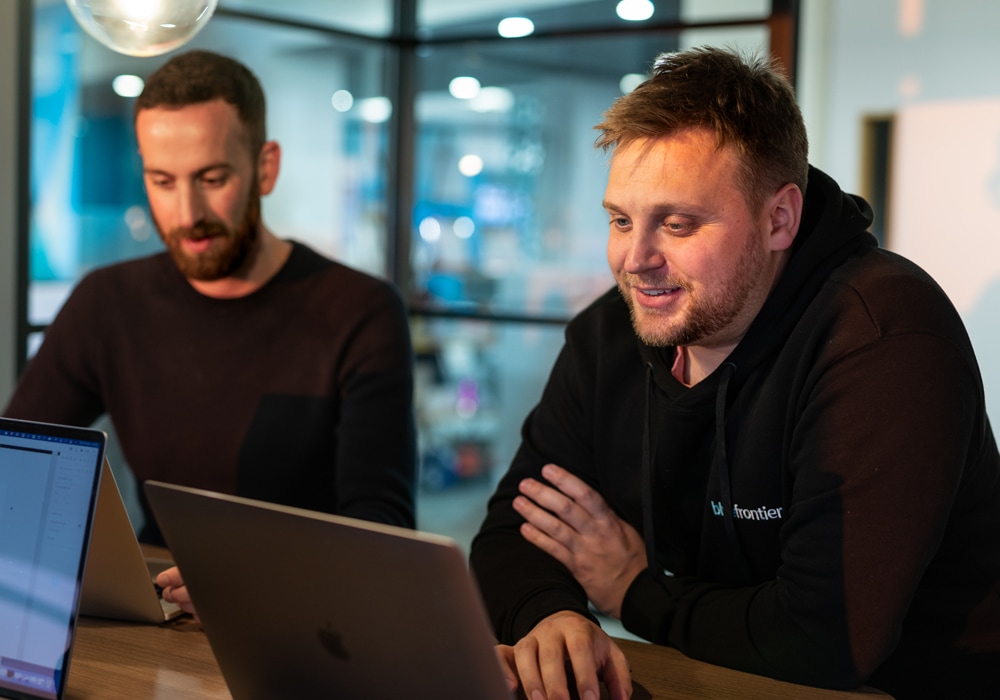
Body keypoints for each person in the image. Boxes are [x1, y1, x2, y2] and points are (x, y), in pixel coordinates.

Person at [470, 46, 1000, 700]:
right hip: (704, 675)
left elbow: (826, 639)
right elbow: (511, 534)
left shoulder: (883, 338)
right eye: (620, 220)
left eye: (677, 223)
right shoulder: (611, 333)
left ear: (779, 218)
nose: (634, 260)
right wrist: (548, 616)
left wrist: (634, 590)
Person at [4, 50, 417, 610]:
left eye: (212, 178)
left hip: (306, 619)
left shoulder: (359, 311)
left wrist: (252, 576)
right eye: (162, 180)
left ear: (265, 167)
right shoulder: (108, 301)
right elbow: (18, 462)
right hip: (159, 612)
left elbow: (383, 530)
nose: (186, 211)